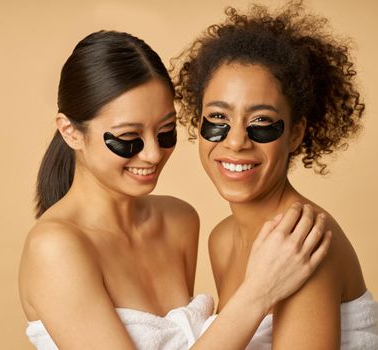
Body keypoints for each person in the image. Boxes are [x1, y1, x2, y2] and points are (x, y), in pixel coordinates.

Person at [19, 30, 331, 349]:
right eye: (129, 137)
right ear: (70, 132)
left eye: (166, 131)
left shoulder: (179, 221)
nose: (154, 154)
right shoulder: (55, 249)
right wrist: (259, 293)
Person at [173, 1, 378, 348]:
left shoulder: (302, 239)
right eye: (218, 118)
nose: (236, 141)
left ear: (296, 133)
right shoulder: (222, 241)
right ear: (198, 123)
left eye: (262, 122)